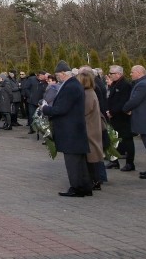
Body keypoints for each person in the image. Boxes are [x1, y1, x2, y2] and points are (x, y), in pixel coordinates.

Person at [41, 61, 92, 197]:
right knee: (79, 161)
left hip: (71, 130)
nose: (57, 77)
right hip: (75, 129)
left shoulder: (70, 87)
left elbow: (61, 108)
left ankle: (76, 187)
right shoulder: (74, 85)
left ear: (63, 73)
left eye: (58, 75)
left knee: (73, 161)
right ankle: (85, 186)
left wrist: (45, 109)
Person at [122, 65, 146, 179]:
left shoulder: (143, 84)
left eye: (132, 72)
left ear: (139, 73)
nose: (131, 74)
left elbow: (135, 100)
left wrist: (125, 108)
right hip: (145, 119)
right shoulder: (144, 83)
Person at [77, 69, 104, 190]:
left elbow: (85, 110)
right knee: (92, 155)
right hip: (92, 126)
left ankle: (95, 180)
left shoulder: (88, 94)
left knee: (92, 156)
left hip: (90, 127)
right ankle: (95, 179)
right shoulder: (90, 92)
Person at [105, 65, 134, 171]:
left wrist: (112, 111)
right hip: (114, 116)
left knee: (127, 140)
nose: (109, 75)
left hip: (122, 117)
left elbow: (123, 101)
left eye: (111, 73)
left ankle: (130, 163)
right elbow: (110, 99)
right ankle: (114, 161)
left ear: (118, 74)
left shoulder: (125, 85)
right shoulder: (114, 84)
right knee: (113, 140)